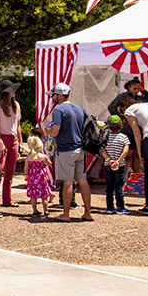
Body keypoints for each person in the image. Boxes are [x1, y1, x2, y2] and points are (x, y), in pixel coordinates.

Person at [46, 83, 94, 222]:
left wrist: (47, 130)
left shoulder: (58, 110)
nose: (52, 98)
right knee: (82, 180)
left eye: (53, 95)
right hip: (81, 148)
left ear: (60, 95)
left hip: (66, 149)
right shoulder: (79, 108)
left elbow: (55, 131)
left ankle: (66, 214)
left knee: (67, 182)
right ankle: (88, 213)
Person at [108, 77, 148, 172]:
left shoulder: (140, 98)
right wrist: (121, 118)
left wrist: (143, 91)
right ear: (129, 87)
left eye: (138, 89)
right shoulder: (123, 96)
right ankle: (124, 174)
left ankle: (136, 173)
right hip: (128, 129)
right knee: (128, 154)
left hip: (138, 129)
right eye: (135, 88)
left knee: (137, 155)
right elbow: (111, 107)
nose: (136, 91)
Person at [0, 79, 23, 207]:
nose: (14, 91)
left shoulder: (16, 105)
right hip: (2, 138)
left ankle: (7, 199)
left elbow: (18, 124)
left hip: (13, 138)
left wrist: (20, 141)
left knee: (10, 171)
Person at [104, 115, 130, 214]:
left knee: (109, 186)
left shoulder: (105, 137)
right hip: (120, 165)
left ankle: (109, 207)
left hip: (108, 164)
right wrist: (118, 161)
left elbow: (102, 150)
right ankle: (120, 206)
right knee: (119, 186)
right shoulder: (124, 137)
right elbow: (126, 151)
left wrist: (109, 160)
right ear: (121, 125)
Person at [24, 136, 53, 218]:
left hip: (33, 179)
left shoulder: (28, 158)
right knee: (44, 196)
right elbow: (50, 164)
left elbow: (26, 170)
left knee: (33, 196)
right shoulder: (43, 157)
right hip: (42, 178)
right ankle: (46, 211)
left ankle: (35, 210)